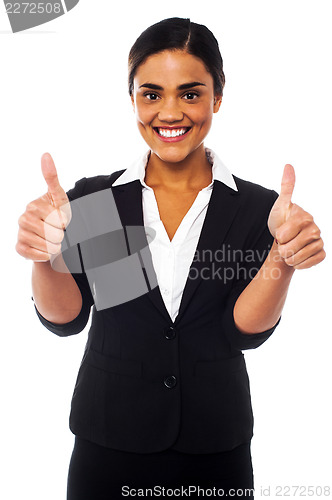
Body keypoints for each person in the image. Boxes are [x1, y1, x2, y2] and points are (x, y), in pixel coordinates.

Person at [16, 17, 325, 500]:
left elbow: (243, 330)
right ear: (134, 99)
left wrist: (280, 259)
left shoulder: (257, 210)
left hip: (214, 446)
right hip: (108, 442)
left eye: (190, 93)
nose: (170, 112)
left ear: (217, 99)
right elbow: (67, 319)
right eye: (152, 94)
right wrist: (44, 256)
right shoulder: (101, 200)